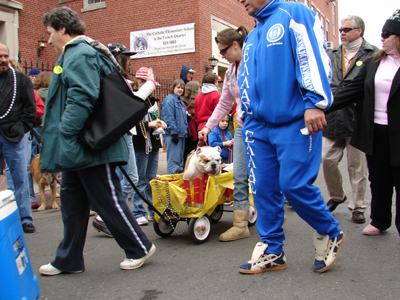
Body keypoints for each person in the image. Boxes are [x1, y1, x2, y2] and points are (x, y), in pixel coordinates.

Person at [38, 7, 156, 276]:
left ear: (62, 29)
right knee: (73, 205)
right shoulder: (78, 53)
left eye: (50, 33)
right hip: (82, 145)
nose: (49, 40)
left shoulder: (78, 55)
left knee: (107, 200)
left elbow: (82, 96)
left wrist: (65, 133)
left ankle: (139, 246)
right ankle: (67, 259)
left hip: (88, 145)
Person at [235, 0, 345, 274]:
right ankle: (272, 250)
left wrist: (314, 102)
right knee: (262, 189)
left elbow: (312, 55)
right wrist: (245, 113)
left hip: (295, 120)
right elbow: (247, 79)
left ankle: (330, 230)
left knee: (293, 185)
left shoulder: (294, 13)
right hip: (257, 126)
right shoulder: (253, 35)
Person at [329, 9, 400, 236]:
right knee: (379, 178)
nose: (383, 37)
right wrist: (320, 107)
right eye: (382, 32)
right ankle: (379, 220)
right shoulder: (375, 61)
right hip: (375, 129)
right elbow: (352, 90)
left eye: (388, 33)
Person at [322, 15, 378, 224]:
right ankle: (337, 196)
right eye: (341, 29)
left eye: (347, 29)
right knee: (326, 159)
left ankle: (358, 207)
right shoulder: (332, 53)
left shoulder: (372, 54)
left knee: (357, 167)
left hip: (358, 118)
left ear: (359, 31)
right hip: (334, 116)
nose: (342, 33)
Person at [198, 26, 251, 242]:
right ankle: (240, 225)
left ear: (235, 45)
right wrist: (208, 128)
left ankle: (272, 216)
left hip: (262, 124)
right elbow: (223, 104)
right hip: (242, 126)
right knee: (239, 174)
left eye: (223, 51)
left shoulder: (253, 62)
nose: (221, 55)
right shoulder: (229, 71)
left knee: (265, 174)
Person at [91, 42, 139, 237]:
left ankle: (111, 216)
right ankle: (105, 216)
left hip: (123, 133)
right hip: (122, 133)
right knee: (131, 178)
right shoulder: (114, 79)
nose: (128, 61)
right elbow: (130, 106)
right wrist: (151, 85)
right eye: (125, 57)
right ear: (117, 58)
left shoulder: (112, 78)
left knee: (119, 178)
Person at [0, 43, 37, 233]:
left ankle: (25, 218)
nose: (4, 60)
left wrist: (20, 128)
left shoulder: (20, 80)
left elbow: (31, 109)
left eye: (6, 56)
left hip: (14, 135)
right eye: (0, 56)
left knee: (20, 177)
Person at [5, 60, 44, 210]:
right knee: (10, 168)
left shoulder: (22, 85)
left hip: (21, 132)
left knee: (22, 166)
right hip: (5, 131)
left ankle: (26, 201)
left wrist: (22, 124)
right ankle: (11, 202)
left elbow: (38, 108)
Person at [131, 67, 167, 225]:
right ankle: (137, 211)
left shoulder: (151, 100)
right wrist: (149, 124)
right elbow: (131, 125)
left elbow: (154, 118)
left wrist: (159, 123)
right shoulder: (133, 99)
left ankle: (153, 210)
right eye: (146, 83)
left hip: (152, 142)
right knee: (140, 179)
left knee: (151, 179)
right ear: (139, 82)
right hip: (140, 143)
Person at [161, 79, 187, 174]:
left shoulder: (180, 101)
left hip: (181, 134)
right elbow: (168, 117)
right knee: (174, 163)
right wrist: (173, 132)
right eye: (178, 87)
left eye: (182, 88)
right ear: (173, 87)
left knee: (179, 163)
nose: (180, 89)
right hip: (172, 134)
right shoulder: (170, 100)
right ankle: (172, 185)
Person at [182, 80, 200, 161]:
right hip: (191, 136)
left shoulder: (187, 102)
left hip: (192, 134)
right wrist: (194, 136)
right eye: (198, 89)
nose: (200, 90)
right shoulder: (186, 104)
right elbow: (190, 122)